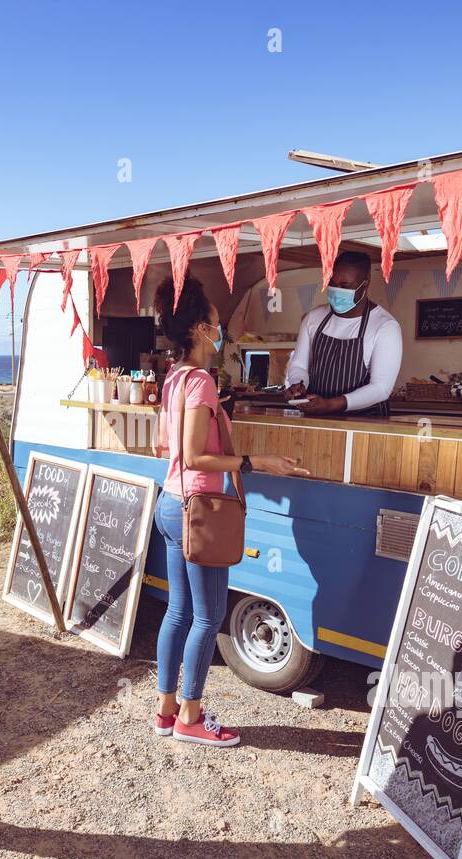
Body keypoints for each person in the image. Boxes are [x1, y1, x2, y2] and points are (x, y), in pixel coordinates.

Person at [153, 277, 308, 747]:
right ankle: (191, 718)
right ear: (200, 329)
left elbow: (169, 449)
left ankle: (166, 711)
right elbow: (196, 455)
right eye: (218, 326)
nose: (223, 334)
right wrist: (253, 462)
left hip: (171, 502)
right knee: (207, 616)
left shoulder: (174, 377)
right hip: (199, 509)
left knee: (179, 611)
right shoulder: (199, 382)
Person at [284, 249, 402, 416]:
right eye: (332, 284)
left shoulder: (385, 326)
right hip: (317, 417)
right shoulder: (314, 318)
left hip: (365, 423)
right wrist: (298, 385)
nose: (337, 290)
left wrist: (332, 404)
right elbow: (299, 365)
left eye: (345, 286)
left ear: (365, 284)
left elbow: (381, 388)